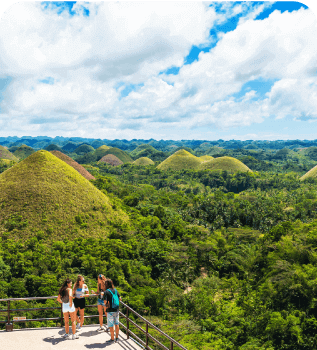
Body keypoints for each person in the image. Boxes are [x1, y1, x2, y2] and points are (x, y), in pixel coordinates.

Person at [104, 278, 122, 343]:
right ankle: (117, 338)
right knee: (117, 324)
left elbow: (105, 301)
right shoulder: (116, 290)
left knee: (111, 325)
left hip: (110, 310)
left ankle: (112, 339)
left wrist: (107, 305)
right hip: (116, 309)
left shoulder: (106, 292)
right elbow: (120, 299)